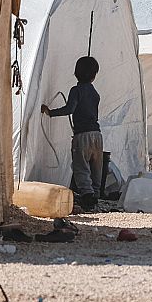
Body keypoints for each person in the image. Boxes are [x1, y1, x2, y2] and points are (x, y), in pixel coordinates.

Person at [41, 56, 104, 211]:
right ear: (94, 75)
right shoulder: (95, 93)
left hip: (81, 135)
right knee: (96, 168)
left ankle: (87, 196)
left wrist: (50, 112)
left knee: (81, 166)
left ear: (76, 73)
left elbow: (70, 109)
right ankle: (95, 195)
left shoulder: (76, 91)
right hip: (97, 134)